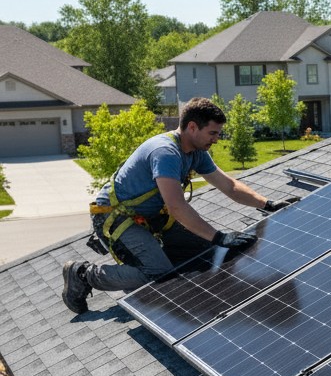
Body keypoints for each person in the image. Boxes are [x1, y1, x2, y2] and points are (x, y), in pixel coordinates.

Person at [61, 97, 295, 314]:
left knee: (210, 253)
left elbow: (230, 186)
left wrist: (268, 203)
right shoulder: (165, 153)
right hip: (117, 218)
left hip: (152, 218)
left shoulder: (196, 152)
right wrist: (219, 236)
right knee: (159, 274)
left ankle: (151, 258)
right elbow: (177, 207)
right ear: (192, 127)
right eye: (212, 133)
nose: (216, 139)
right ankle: (83, 274)